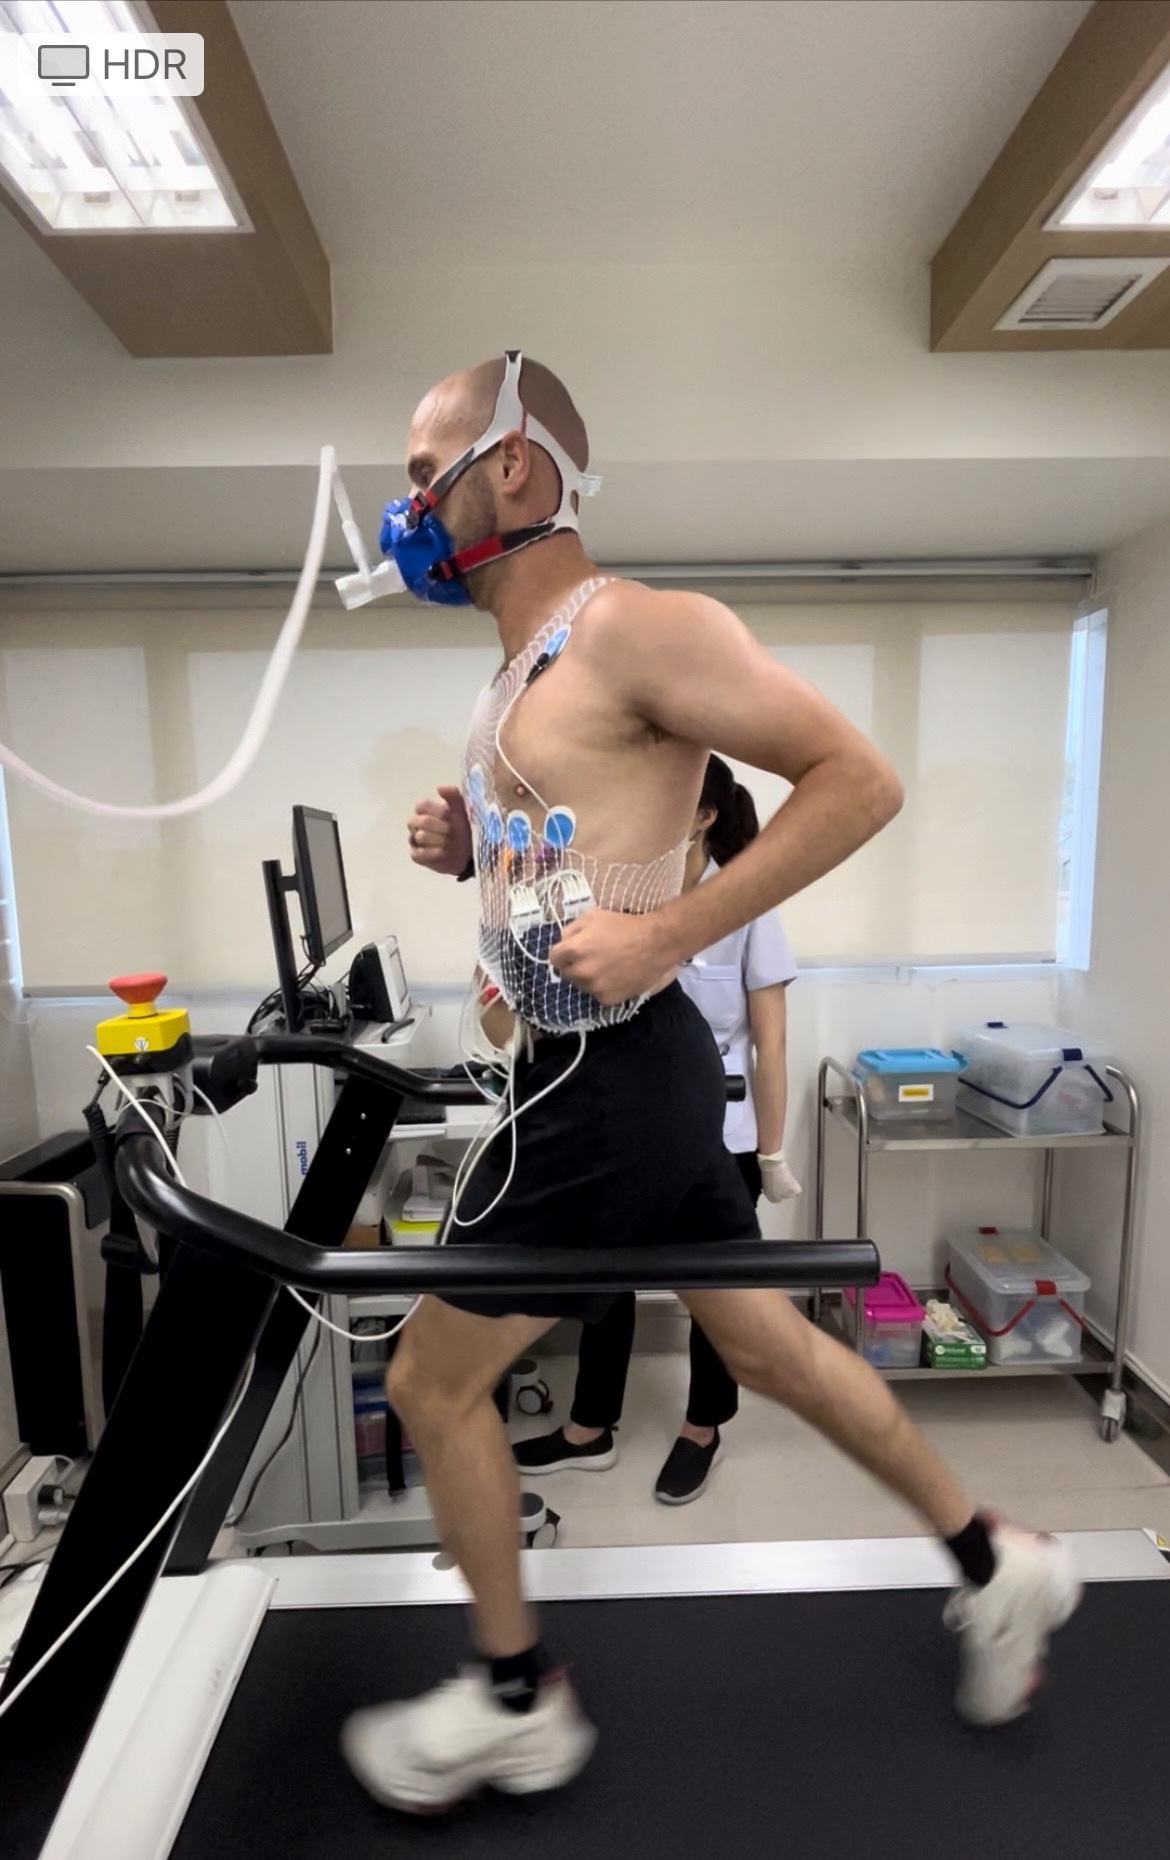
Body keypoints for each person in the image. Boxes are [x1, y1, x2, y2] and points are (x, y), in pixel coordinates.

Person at [341, 351, 1081, 1815]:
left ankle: (517, 1703)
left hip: (613, 1082)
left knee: (430, 1381)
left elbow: (855, 780)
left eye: (427, 471)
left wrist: (678, 933)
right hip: (621, 1072)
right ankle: (1000, 1568)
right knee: (771, 1354)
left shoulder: (636, 631)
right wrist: (464, 850)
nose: (406, 504)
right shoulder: (518, 677)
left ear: (518, 468)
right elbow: (567, 876)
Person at [513, 753, 801, 1504]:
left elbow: (772, 1039)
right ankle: (589, 1427)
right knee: (601, 1277)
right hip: (626, 1123)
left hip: (719, 1125)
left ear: (702, 814)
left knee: (719, 1292)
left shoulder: (745, 900)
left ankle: (702, 1427)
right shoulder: (623, 893)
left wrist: (771, 1150)